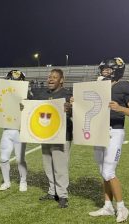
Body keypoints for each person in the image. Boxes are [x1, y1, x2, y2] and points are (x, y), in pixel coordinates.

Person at [88, 57, 129, 223]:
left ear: (117, 70)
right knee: (102, 172)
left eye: (108, 69)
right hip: (99, 131)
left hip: (114, 131)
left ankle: (122, 207)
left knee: (108, 172)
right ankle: (107, 206)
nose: (105, 71)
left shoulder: (123, 86)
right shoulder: (99, 86)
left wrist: (119, 108)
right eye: (103, 69)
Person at [35, 69, 73, 208]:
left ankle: (62, 195)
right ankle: (52, 191)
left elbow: (77, 112)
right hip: (46, 134)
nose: (50, 79)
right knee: (48, 165)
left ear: (61, 80)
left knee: (60, 166)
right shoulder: (43, 95)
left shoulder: (67, 94)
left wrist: (70, 109)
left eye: (54, 77)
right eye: (49, 77)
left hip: (62, 135)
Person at [0, 70, 29, 193]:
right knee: (3, 158)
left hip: (20, 131)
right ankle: (6, 182)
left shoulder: (28, 94)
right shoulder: (4, 94)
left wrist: (25, 104)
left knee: (20, 159)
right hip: (7, 130)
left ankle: (23, 181)